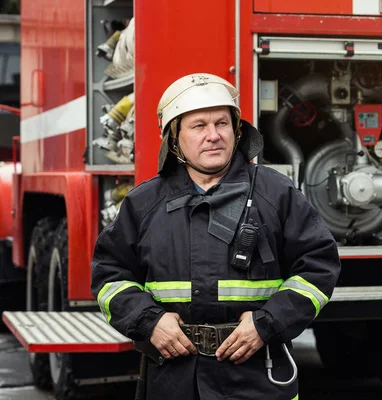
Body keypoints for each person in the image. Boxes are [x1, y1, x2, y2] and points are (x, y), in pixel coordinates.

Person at [90, 73, 341, 400]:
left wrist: (267, 324)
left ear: (237, 131)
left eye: (222, 124)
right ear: (174, 138)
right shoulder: (144, 203)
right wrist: (150, 322)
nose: (213, 136)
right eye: (198, 126)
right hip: (173, 378)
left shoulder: (276, 194)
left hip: (256, 376)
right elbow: (110, 276)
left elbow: (318, 267)